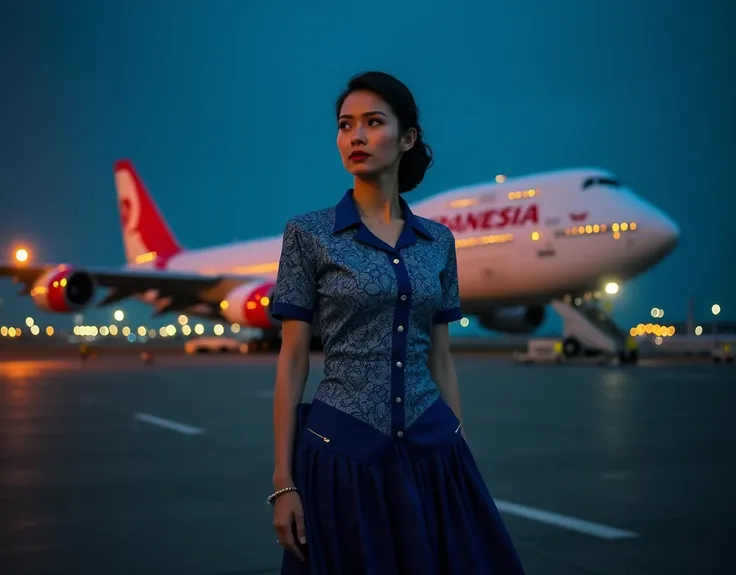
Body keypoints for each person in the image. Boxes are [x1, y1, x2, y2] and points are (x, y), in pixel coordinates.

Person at [268, 71, 526, 575]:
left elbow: (441, 356)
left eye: (372, 122)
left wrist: (459, 444)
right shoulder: (307, 234)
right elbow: (293, 360)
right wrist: (284, 481)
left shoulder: (438, 242)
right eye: (345, 125)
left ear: (407, 138)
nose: (356, 136)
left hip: (435, 450)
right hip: (342, 452)